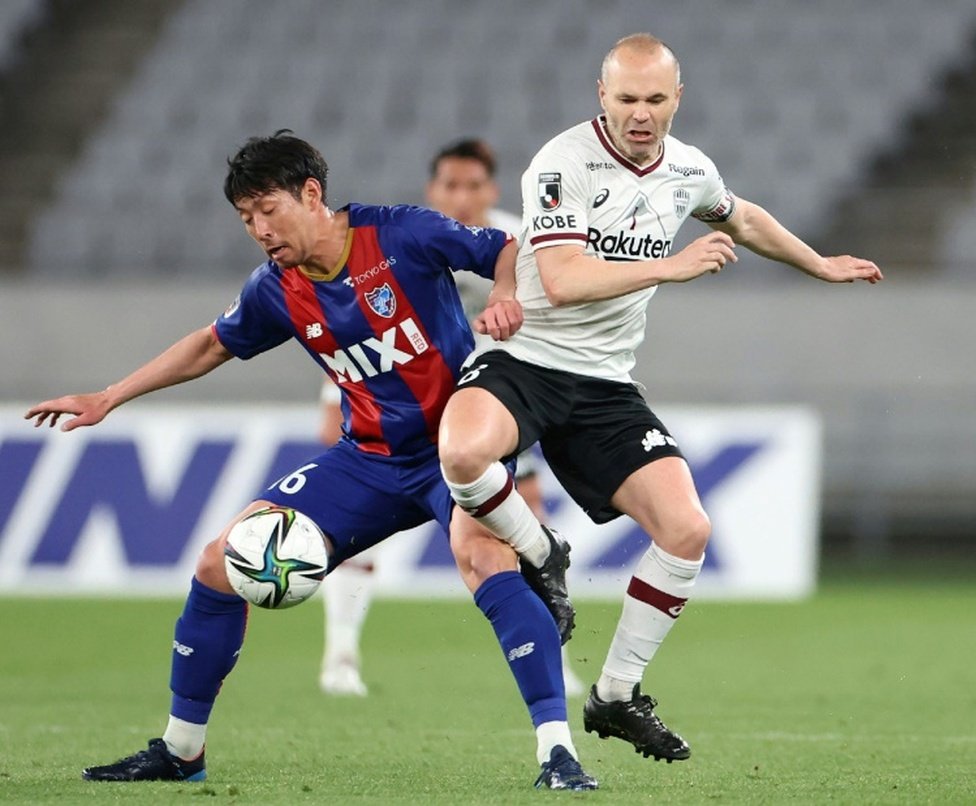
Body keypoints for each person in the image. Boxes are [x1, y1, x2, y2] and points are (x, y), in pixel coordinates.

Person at [25, 131, 597, 790]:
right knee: (218, 564)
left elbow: (507, 248)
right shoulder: (277, 288)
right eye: (246, 218)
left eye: (268, 209)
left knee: (485, 557)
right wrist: (110, 395)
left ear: (313, 194)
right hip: (369, 460)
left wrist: (504, 296)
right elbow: (212, 345)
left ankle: (557, 752)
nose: (259, 229)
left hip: (455, 447)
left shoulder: (401, 235)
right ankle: (181, 750)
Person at [438, 33, 883, 764]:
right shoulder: (560, 164)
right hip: (529, 361)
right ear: (601, 96)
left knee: (687, 529)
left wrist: (818, 263)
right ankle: (543, 551)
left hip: (606, 382)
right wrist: (672, 269)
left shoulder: (688, 167)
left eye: (653, 100)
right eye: (625, 99)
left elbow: (739, 215)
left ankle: (615, 695)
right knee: (462, 451)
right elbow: (567, 279)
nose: (639, 115)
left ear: (677, 98)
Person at [317, 137, 585, 699]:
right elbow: (355, 328)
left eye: (472, 186)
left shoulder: (518, 243)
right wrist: (329, 400)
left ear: (491, 190)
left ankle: (550, 657)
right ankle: (340, 655)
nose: (461, 197)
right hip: (400, 410)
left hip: (494, 407)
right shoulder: (401, 242)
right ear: (432, 189)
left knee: (528, 528)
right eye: (450, 185)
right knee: (356, 534)